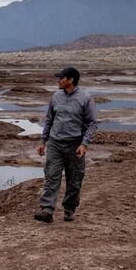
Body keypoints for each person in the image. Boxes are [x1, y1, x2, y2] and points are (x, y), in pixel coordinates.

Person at [34, 66, 98, 223]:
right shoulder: (56, 96)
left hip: (74, 144)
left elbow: (92, 124)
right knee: (51, 175)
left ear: (71, 80)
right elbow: (49, 119)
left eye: (61, 78)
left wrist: (84, 144)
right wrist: (43, 140)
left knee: (74, 178)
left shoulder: (85, 98)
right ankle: (47, 210)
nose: (59, 80)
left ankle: (69, 209)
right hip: (55, 143)